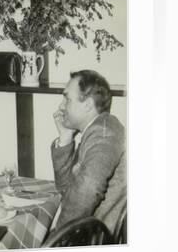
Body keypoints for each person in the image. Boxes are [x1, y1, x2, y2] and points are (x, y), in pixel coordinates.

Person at [51, 70, 126, 234]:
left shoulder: (104, 134)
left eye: (67, 99)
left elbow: (88, 189)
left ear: (88, 105)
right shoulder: (96, 130)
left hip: (96, 240)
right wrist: (65, 138)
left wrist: (58, 237)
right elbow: (66, 190)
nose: (61, 106)